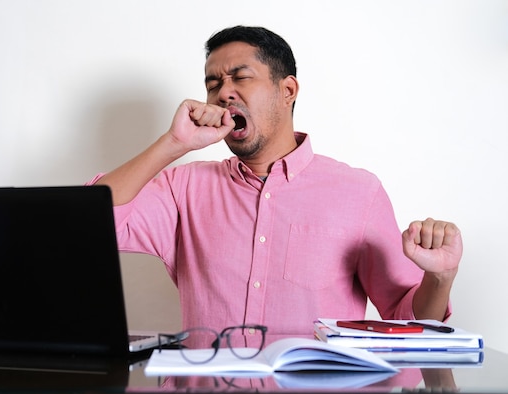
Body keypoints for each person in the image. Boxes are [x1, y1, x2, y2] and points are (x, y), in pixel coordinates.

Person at [89, 26, 462, 341]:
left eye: (241, 77)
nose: (223, 92)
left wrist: (440, 277)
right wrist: (173, 144)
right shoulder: (183, 188)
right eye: (213, 83)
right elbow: (92, 225)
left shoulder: (359, 192)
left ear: (287, 91)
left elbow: (406, 319)